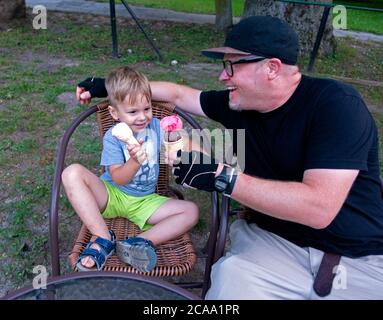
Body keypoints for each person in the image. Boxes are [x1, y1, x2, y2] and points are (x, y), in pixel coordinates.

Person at [76, 16, 383, 299]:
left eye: (232, 66)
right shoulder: (238, 103)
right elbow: (180, 94)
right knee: (231, 283)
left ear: (272, 68)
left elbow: (319, 209)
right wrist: (111, 88)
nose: (223, 76)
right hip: (273, 246)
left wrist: (220, 175)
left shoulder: (335, 106)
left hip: (359, 260)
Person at [65, 66, 199, 273]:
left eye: (147, 109)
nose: (142, 117)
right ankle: (102, 236)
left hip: (145, 200)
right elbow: (118, 178)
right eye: (133, 112)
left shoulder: (156, 127)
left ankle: (138, 243)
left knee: (190, 211)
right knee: (71, 172)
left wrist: (175, 139)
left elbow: (181, 148)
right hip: (112, 195)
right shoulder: (114, 137)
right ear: (114, 113)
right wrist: (135, 162)